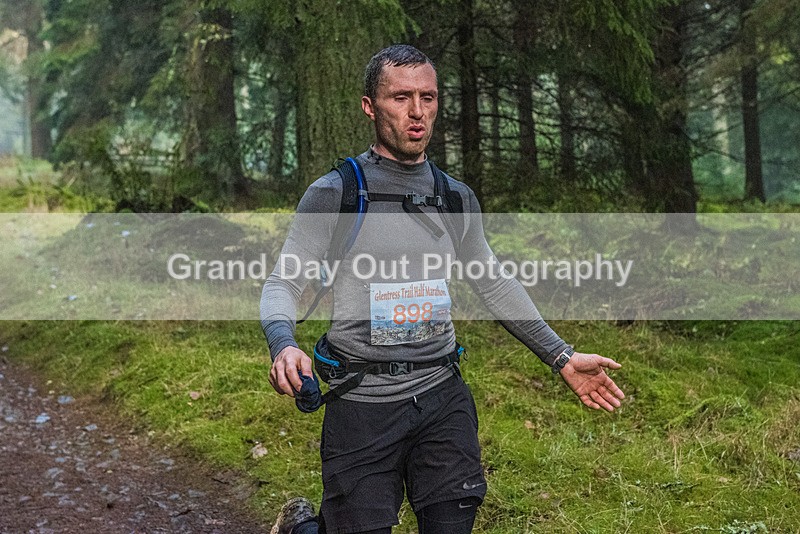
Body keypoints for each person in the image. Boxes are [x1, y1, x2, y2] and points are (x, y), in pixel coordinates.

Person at [261, 44, 625, 534]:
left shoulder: (455, 197)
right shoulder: (334, 193)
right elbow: (284, 280)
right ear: (370, 106)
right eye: (401, 97)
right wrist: (284, 345)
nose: (417, 112)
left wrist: (561, 356)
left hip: (441, 395)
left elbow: (493, 281)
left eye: (428, 97)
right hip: (363, 402)